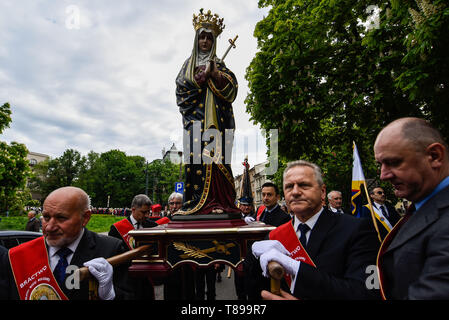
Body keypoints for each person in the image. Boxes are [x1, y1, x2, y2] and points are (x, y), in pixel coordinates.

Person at [247, 160, 380, 299]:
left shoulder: (359, 230)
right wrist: (252, 258)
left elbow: (369, 292)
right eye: (289, 187)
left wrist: (296, 268)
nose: (295, 192)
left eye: (304, 185)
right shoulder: (274, 236)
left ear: (322, 192)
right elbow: (257, 290)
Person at [4, 186, 134, 300]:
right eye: (46, 217)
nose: (49, 227)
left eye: (61, 218)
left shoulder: (111, 250)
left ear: (85, 218)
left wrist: (110, 295)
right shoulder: (17, 256)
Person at [375, 117, 449, 299]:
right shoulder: (421, 208)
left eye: (394, 162)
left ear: (434, 156)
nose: (383, 175)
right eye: (380, 164)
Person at [175, 9, 240, 216]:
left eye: (209, 38)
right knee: (195, 161)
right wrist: (197, 81)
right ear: (196, 39)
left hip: (217, 123)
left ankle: (219, 201)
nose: (205, 41)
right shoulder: (188, 65)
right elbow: (181, 91)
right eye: (201, 37)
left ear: (214, 42)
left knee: (216, 158)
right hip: (194, 122)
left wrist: (215, 75)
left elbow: (232, 90)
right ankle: (195, 202)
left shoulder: (219, 64)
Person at [163, 192, 196, 300]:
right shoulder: (163, 221)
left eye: (177, 203)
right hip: (169, 263)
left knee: (187, 291)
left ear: (183, 205)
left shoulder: (190, 220)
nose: (174, 206)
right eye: (172, 203)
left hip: (186, 262)